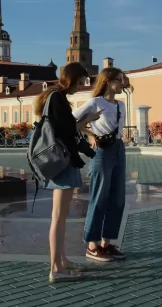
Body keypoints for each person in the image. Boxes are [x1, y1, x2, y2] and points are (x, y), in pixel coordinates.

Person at [34, 62, 102, 283]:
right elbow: (65, 130)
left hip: (64, 162)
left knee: (59, 217)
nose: (81, 86)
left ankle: (61, 261)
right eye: (80, 82)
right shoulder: (57, 98)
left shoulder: (56, 97)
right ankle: (56, 269)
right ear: (71, 78)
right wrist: (88, 120)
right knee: (58, 218)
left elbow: (67, 128)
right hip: (62, 163)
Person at [73, 67, 128, 262]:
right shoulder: (94, 102)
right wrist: (90, 134)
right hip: (102, 151)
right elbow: (71, 121)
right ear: (107, 81)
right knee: (99, 196)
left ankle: (107, 243)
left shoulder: (121, 104)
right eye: (119, 80)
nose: (123, 83)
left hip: (119, 149)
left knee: (117, 198)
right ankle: (92, 244)